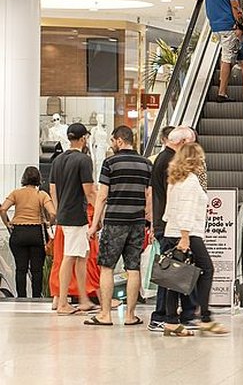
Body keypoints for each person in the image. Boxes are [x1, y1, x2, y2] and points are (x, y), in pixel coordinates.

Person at [85, 125, 152, 327]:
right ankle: (130, 316)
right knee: (133, 268)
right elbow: (149, 196)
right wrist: (149, 220)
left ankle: (105, 315)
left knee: (107, 267)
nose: (111, 144)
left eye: (113, 141)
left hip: (114, 222)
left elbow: (102, 196)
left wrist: (94, 224)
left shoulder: (110, 163)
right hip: (138, 223)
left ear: (119, 140)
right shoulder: (146, 164)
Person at [161, 143, 229, 336]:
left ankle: (171, 321)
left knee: (173, 279)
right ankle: (205, 316)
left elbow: (169, 211)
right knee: (207, 269)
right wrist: (184, 237)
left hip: (173, 231)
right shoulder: (190, 180)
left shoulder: (174, 179)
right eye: (200, 158)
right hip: (188, 233)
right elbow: (186, 210)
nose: (202, 161)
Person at [148, 126, 197, 332]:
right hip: (172, 225)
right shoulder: (169, 162)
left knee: (177, 269)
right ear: (182, 142)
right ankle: (160, 315)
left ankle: (184, 313)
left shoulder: (161, 158)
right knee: (169, 272)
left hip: (167, 223)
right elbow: (175, 197)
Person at [50, 123, 98, 315]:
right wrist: (100, 212)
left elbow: (52, 189)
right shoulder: (84, 160)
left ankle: (84, 299)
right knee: (70, 257)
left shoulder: (58, 160)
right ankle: (63, 303)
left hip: (64, 214)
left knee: (81, 256)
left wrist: (58, 209)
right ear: (84, 138)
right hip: (77, 216)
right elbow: (89, 191)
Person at [194, 0, 243, 103]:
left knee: (226, 55)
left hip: (214, 27)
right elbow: (234, 4)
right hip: (228, 25)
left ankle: (234, 70)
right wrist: (240, 23)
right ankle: (222, 93)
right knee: (227, 58)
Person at [0, 167, 56, 298]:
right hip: (36, 233)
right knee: (37, 270)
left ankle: (21, 298)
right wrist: (49, 222)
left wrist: (7, 223)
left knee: (21, 269)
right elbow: (53, 212)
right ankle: (36, 297)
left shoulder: (16, 193)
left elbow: (3, 209)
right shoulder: (41, 195)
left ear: (24, 178)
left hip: (18, 233)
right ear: (38, 179)